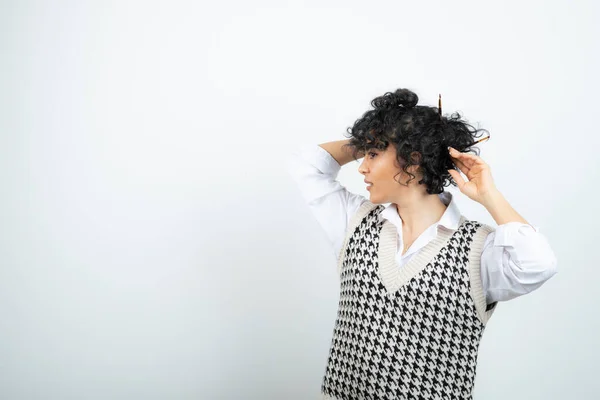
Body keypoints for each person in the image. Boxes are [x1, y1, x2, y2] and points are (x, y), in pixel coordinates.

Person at [286, 88, 558, 399]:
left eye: (373, 155)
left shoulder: (479, 250)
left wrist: (489, 196)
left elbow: (539, 263)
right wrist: (368, 141)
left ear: (413, 161)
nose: (362, 165)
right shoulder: (355, 222)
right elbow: (306, 166)